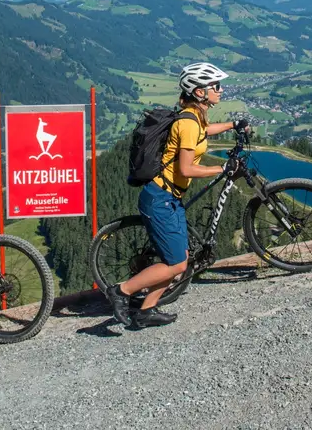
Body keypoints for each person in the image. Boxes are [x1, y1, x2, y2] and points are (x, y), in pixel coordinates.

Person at [105, 62, 250, 329]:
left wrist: (233, 124)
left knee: (179, 259)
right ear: (199, 92)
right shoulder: (187, 123)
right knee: (176, 264)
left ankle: (146, 311)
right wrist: (223, 167)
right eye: (214, 86)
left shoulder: (193, 118)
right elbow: (186, 168)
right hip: (160, 198)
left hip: (169, 198)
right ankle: (121, 291)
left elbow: (203, 132)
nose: (220, 89)